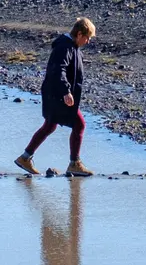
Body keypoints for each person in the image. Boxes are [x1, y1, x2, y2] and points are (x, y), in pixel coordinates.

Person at [16, 17, 95, 177]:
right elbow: (59, 70)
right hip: (58, 94)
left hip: (55, 93)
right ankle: (74, 164)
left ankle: (25, 158)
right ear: (79, 34)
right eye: (87, 38)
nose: (88, 42)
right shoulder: (64, 47)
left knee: (50, 126)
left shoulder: (71, 47)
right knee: (79, 125)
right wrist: (66, 91)